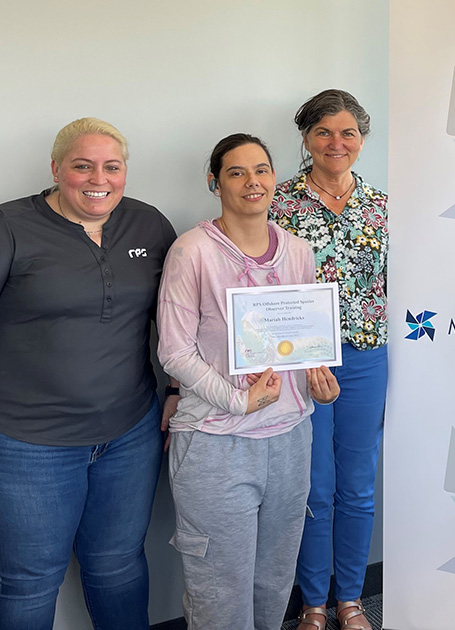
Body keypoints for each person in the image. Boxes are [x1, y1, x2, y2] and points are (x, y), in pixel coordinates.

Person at [0, 117, 177, 630]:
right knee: (30, 580)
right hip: (21, 443)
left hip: (128, 435)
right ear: (56, 169)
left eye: (112, 167)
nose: (98, 179)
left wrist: (176, 388)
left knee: (119, 566)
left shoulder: (148, 225)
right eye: (83, 166)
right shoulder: (4, 227)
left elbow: (179, 319)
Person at [157, 133, 340, 630]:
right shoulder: (192, 252)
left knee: (273, 584)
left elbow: (302, 344)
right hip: (217, 443)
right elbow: (174, 351)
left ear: (274, 178)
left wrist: (318, 385)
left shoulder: (298, 251)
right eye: (236, 172)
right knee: (220, 593)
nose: (251, 182)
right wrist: (236, 400)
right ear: (215, 183)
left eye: (261, 170)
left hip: (291, 438)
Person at [270, 89, 387, 630]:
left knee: (358, 483)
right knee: (314, 486)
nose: (336, 143)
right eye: (323, 132)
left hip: (366, 357)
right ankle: (314, 602)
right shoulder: (278, 204)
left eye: (348, 133)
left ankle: (351, 600)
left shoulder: (383, 206)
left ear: (362, 139)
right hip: (302, 362)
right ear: (306, 138)